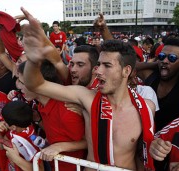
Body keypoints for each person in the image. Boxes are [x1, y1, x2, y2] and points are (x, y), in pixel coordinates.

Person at [20, 7, 155, 170]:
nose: (98, 71)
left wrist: (158, 148)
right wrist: (34, 61)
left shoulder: (147, 107)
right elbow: (36, 85)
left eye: (107, 65)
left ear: (126, 71)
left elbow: (142, 154)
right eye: (98, 65)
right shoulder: (86, 98)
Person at [16, 61, 87, 171]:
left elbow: (88, 142)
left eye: (22, 82)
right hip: (54, 165)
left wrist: (59, 147)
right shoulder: (42, 104)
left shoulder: (67, 110)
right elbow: (59, 131)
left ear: (37, 83)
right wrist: (39, 121)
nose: (18, 86)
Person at [0, 101, 43, 171]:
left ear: (13, 127)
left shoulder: (30, 140)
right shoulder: (17, 130)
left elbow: (39, 169)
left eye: (4, 121)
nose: (3, 122)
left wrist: (16, 158)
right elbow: (1, 146)